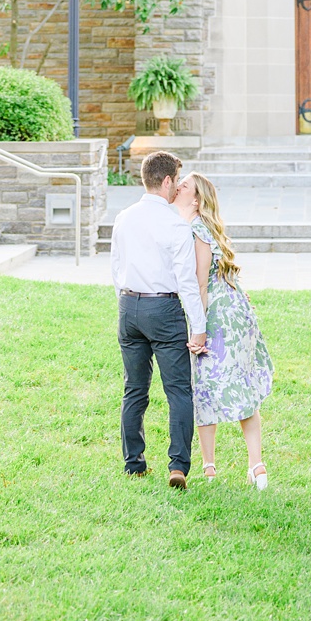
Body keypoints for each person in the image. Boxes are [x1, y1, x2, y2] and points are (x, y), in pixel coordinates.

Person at [108, 149, 207, 489]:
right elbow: (187, 282)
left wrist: (125, 303)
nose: (177, 187)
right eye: (176, 181)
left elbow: (115, 268)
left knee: (133, 389)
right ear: (166, 181)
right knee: (178, 390)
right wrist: (199, 327)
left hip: (128, 306)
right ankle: (177, 466)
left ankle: (134, 464)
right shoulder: (174, 224)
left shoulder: (123, 217)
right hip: (163, 310)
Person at [178, 172, 275, 490]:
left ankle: (209, 469)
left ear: (196, 199)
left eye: (185, 186)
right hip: (237, 310)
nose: (178, 187)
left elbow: (201, 281)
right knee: (242, 387)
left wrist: (199, 329)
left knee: (206, 386)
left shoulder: (195, 228)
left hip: (220, 316)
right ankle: (256, 467)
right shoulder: (206, 227)